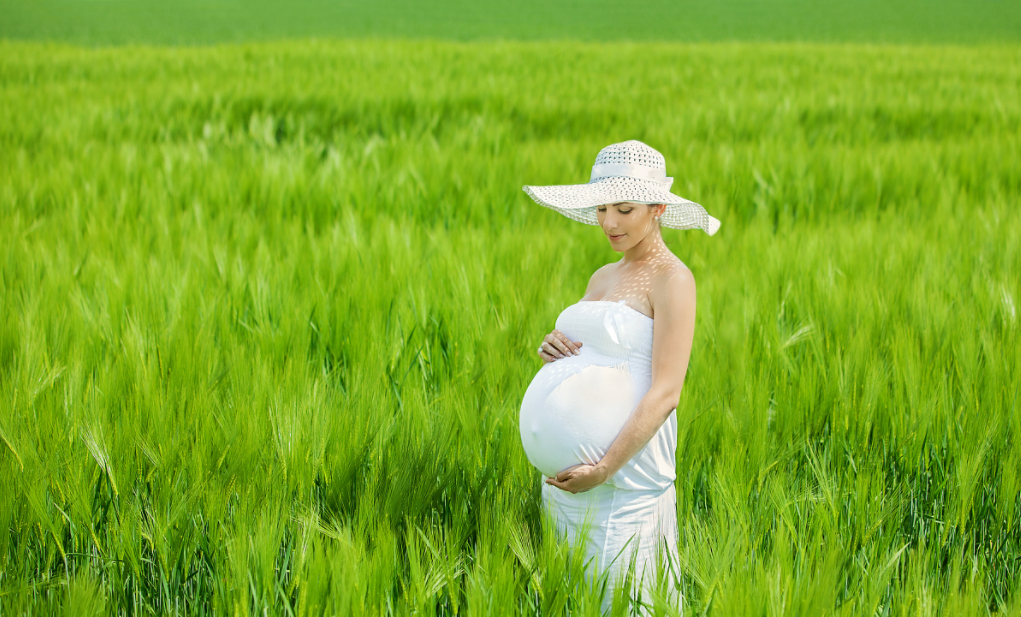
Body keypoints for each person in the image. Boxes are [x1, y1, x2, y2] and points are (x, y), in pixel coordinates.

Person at [518, 140, 720, 612]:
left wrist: (604, 468)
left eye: (624, 209)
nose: (609, 222)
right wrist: (555, 350)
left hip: (620, 487)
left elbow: (667, 391)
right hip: (567, 490)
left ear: (657, 209)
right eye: (602, 208)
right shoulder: (602, 276)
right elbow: (593, 358)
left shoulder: (674, 280)